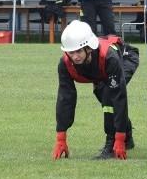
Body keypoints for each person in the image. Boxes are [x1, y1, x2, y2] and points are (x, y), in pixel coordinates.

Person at [53, 20, 139, 160]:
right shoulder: (65, 64)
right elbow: (65, 98)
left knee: (109, 95)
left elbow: (119, 97)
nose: (75, 57)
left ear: (89, 48)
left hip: (125, 59)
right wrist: (60, 138)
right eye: (71, 52)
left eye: (79, 51)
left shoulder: (109, 57)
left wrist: (118, 138)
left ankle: (112, 143)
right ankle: (128, 138)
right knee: (104, 95)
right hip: (99, 70)